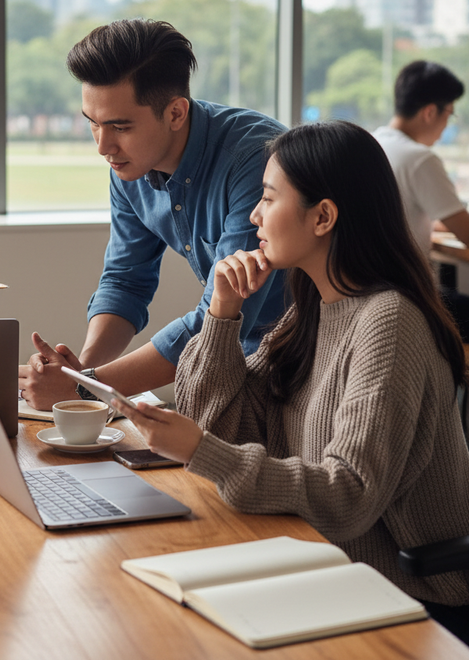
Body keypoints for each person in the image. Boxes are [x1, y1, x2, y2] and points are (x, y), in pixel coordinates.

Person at [113, 121, 469, 638]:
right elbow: (219, 423)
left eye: (268, 198)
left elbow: (349, 496)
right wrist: (222, 313)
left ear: (323, 216)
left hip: (406, 592)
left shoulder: (388, 323)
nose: (254, 215)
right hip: (321, 561)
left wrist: (201, 449)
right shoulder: (312, 310)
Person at [18, 18, 287, 410]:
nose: (103, 146)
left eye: (120, 127)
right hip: (236, 369)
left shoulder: (256, 160)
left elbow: (220, 316)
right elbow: (126, 282)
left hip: (304, 366)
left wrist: (86, 389)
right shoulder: (130, 165)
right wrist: (79, 374)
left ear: (176, 113)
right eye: (92, 124)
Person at [373, 60, 469, 340]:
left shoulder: (372, 143)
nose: (446, 125)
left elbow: (405, 215)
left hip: (373, 295)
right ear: (430, 112)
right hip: (408, 299)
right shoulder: (419, 158)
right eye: (449, 113)